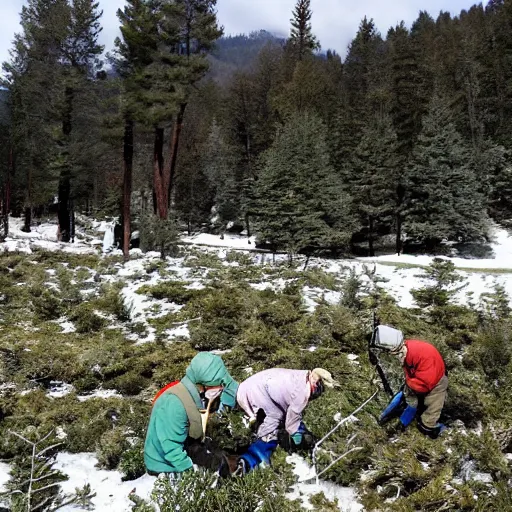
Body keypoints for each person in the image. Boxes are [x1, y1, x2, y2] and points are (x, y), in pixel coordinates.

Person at [144, 352, 239, 477]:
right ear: (204, 384)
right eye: (219, 384)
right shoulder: (174, 403)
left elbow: (230, 388)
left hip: (186, 447)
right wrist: (192, 475)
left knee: (219, 462)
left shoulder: (193, 394)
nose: (221, 388)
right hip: (164, 465)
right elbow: (172, 449)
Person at [235, 367, 337, 473]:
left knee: (282, 416)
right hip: (257, 392)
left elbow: (291, 410)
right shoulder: (302, 393)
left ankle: (259, 432)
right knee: (272, 427)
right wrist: (296, 435)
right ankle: (248, 462)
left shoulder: (302, 376)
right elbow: (291, 422)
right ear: (316, 384)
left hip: (252, 386)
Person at [373, 325, 448, 439]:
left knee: (434, 404)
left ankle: (428, 425)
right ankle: (407, 408)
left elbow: (426, 384)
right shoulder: (407, 349)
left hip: (436, 381)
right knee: (410, 395)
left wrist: (410, 387)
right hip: (422, 375)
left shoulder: (425, 360)